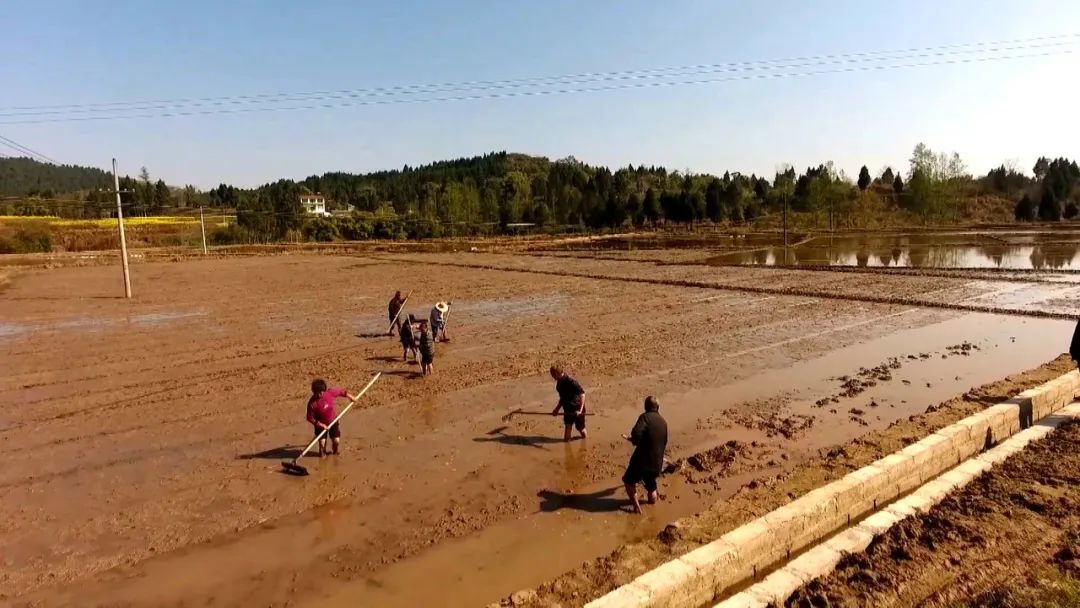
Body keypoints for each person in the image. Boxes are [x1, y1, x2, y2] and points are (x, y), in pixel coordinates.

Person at [622, 396, 668, 514]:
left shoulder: (645, 417)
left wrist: (633, 440)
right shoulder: (663, 422)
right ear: (658, 407)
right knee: (650, 483)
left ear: (645, 407)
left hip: (642, 461)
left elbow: (637, 434)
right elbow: (663, 442)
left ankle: (636, 507)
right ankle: (652, 502)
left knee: (628, 481)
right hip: (657, 463)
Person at [306, 379, 357, 457]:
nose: (320, 394)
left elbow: (341, 392)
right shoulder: (312, 403)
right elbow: (309, 417)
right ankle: (322, 455)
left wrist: (350, 397)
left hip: (333, 420)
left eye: (321, 392)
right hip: (320, 424)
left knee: (336, 441)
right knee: (322, 444)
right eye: (317, 393)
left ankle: (335, 453)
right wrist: (321, 425)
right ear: (313, 391)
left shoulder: (329, 393)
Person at [550, 364, 587, 442]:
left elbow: (582, 394)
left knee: (581, 429)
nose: (552, 376)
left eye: (552, 374)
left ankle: (585, 440)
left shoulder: (571, 381)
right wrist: (556, 409)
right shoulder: (559, 385)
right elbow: (562, 399)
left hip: (577, 407)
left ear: (556, 373)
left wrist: (580, 411)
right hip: (567, 409)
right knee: (567, 432)